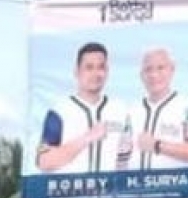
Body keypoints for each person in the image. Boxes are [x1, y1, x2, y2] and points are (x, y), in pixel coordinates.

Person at [36, 42, 132, 173]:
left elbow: (126, 159)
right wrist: (87, 138)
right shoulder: (60, 111)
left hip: (112, 191)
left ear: (107, 71)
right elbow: (44, 162)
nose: (96, 73)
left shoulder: (120, 110)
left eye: (101, 67)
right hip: (70, 191)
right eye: (89, 67)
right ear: (77, 71)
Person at [119, 47, 188, 171]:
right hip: (136, 188)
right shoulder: (132, 111)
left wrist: (157, 145)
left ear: (172, 70)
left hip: (172, 188)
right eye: (148, 70)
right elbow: (122, 157)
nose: (154, 75)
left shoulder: (185, 106)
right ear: (141, 75)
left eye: (160, 68)